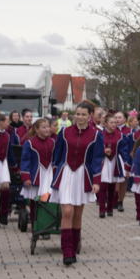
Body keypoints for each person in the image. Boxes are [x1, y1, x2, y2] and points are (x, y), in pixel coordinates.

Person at [49, 100, 104, 266]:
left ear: (90, 117)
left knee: (78, 214)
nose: (80, 117)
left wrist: (96, 181)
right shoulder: (64, 132)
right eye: (78, 114)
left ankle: (75, 244)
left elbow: (97, 159)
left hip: (83, 175)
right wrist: (54, 176)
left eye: (84, 114)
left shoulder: (96, 135)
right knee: (67, 212)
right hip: (66, 174)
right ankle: (67, 251)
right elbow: (57, 155)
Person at [19, 117, 57, 228]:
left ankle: (46, 222)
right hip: (36, 174)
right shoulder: (29, 143)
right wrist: (26, 177)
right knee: (35, 200)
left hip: (49, 173)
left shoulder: (53, 142)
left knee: (47, 197)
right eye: (44, 127)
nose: (47, 129)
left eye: (48, 127)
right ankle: (35, 222)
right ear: (36, 129)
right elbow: (25, 161)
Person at [97, 111, 128, 218]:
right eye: (111, 122)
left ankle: (110, 208)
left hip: (115, 161)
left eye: (115, 122)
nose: (114, 124)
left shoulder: (120, 135)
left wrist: (126, 164)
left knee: (112, 186)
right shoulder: (100, 135)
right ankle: (102, 209)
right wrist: (103, 151)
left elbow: (124, 150)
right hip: (104, 162)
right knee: (103, 186)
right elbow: (95, 150)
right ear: (105, 123)